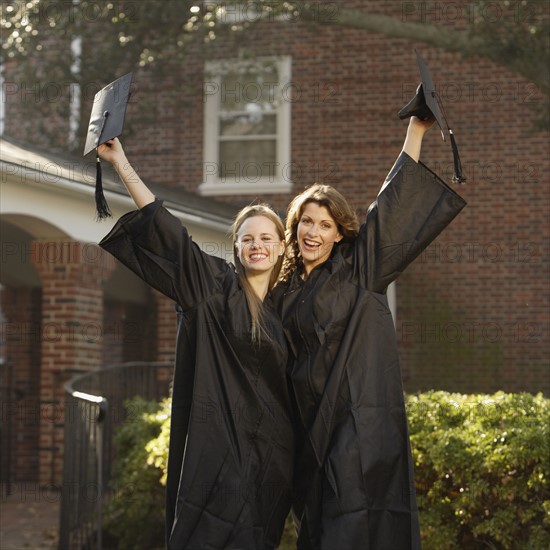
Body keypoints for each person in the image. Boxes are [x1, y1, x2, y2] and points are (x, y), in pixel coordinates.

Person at [274, 116, 467, 549]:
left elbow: (389, 208)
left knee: (354, 525)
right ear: (295, 225)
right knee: (320, 527)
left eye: (325, 225)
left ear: (340, 232)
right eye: (307, 222)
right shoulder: (282, 290)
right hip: (307, 429)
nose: (314, 232)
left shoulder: (358, 272)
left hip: (354, 426)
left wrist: (414, 133)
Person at [97, 138, 294, 549]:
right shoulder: (214, 286)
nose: (257, 245)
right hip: (216, 447)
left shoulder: (291, 310)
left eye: (265, 238)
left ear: (281, 247)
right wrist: (122, 164)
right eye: (247, 238)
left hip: (272, 457)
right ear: (236, 247)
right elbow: (170, 234)